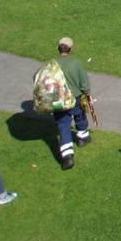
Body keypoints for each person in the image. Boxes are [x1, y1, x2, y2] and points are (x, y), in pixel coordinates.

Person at [53, 37, 92, 170]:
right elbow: (84, 82)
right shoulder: (76, 63)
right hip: (75, 97)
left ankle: (67, 156)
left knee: (63, 124)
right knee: (80, 116)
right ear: (70, 49)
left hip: (58, 100)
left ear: (58, 48)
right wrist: (88, 93)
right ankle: (83, 137)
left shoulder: (52, 64)